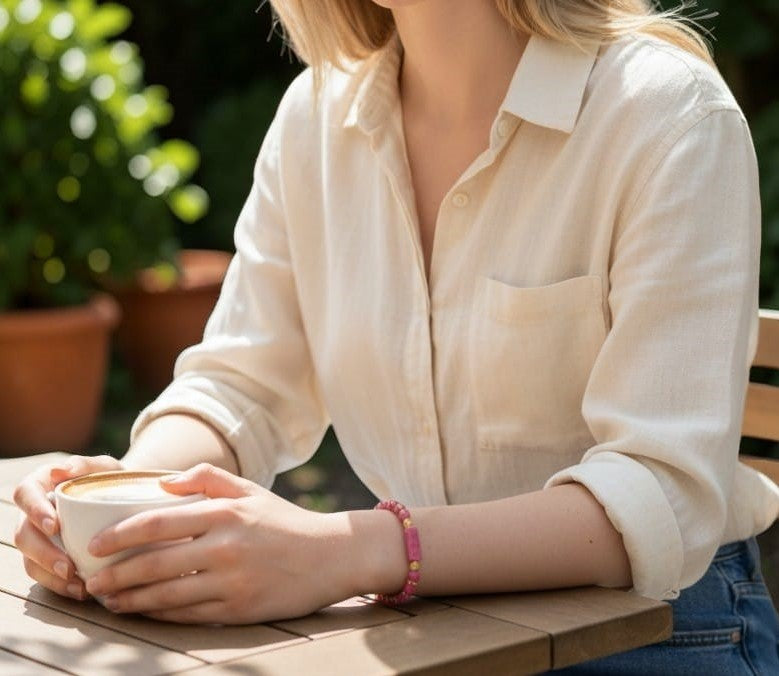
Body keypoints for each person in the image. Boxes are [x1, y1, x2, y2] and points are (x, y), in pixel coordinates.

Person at [13, 0, 779, 670]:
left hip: (653, 636)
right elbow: (239, 386)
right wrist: (120, 512)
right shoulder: (313, 118)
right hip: (420, 629)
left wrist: (349, 552)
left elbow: (661, 493)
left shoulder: (666, 116)